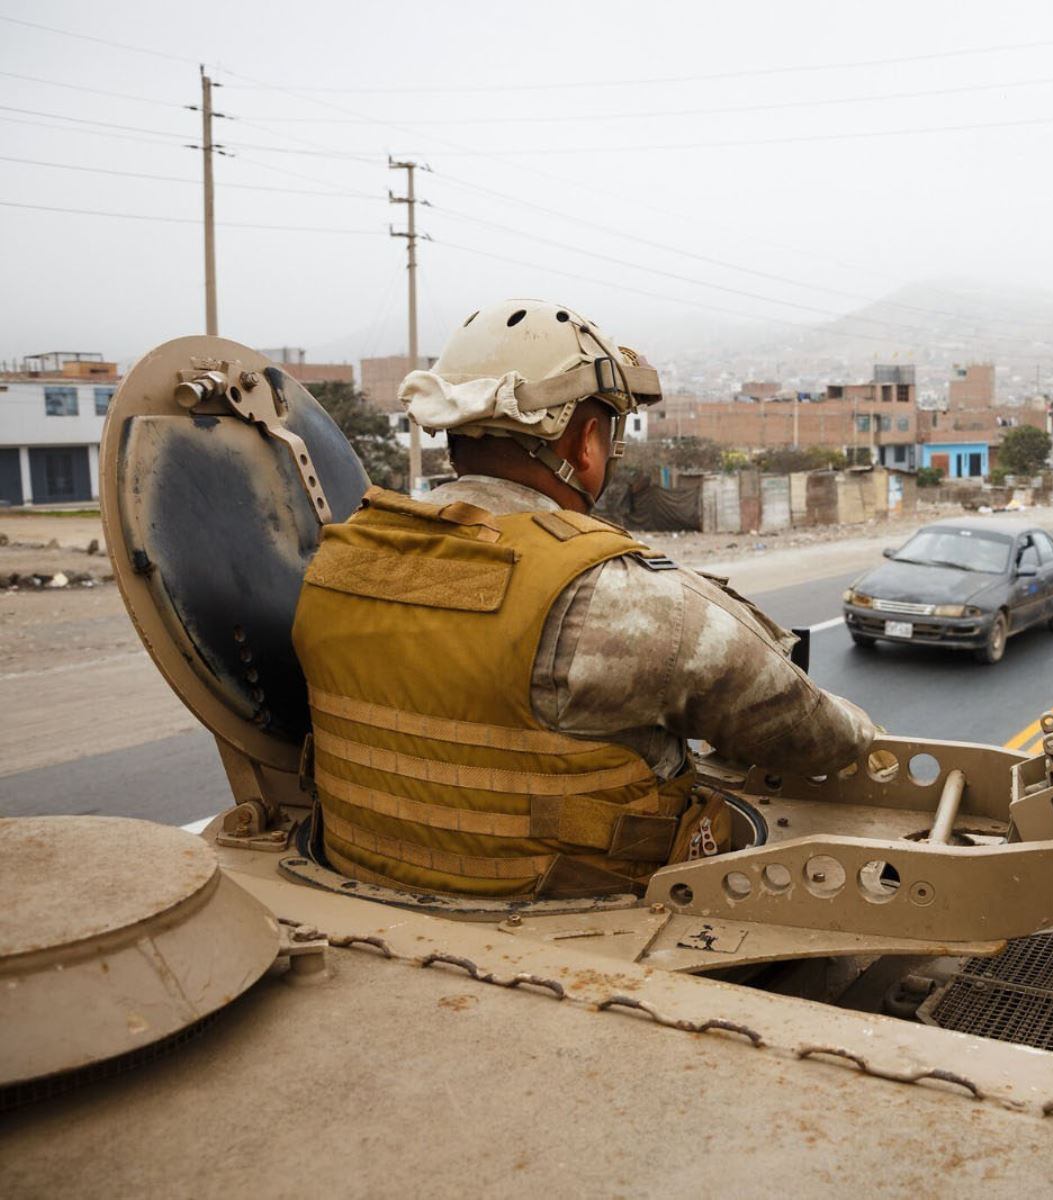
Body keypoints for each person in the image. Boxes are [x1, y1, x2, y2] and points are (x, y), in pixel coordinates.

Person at [291, 299, 875, 898]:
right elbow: (815, 737)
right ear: (586, 443)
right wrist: (861, 728)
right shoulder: (620, 597)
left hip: (360, 892)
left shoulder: (341, 557)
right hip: (570, 925)